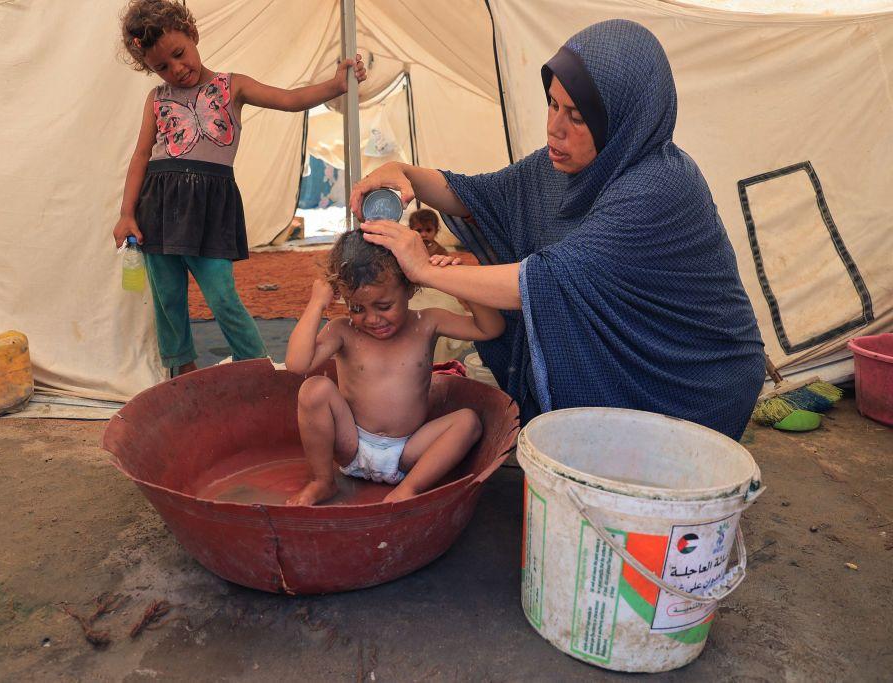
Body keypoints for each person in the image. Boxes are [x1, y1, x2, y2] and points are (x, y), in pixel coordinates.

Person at [351, 19, 764, 440]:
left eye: (577, 116)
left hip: (687, 380)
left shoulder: (658, 187)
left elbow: (546, 280)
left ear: (622, 119)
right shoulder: (566, 165)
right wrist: (403, 173)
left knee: (644, 481)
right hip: (630, 358)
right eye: (552, 104)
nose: (555, 127)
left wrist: (425, 269)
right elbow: (479, 194)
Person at [114, 0, 366, 375]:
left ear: (193, 35)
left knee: (223, 297)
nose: (176, 69)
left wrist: (334, 85)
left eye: (180, 54)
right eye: (161, 67)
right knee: (168, 300)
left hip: (209, 208)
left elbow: (291, 100)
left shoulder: (233, 87)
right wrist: (126, 214)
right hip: (159, 209)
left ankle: (259, 369)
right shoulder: (157, 99)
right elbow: (139, 158)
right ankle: (182, 375)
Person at [284, 231, 505, 506]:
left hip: (408, 451)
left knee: (468, 422)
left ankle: (408, 489)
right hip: (352, 443)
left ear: (411, 287)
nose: (372, 319)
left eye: (384, 305)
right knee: (313, 389)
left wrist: (455, 283)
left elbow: (490, 328)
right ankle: (322, 481)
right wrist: (316, 302)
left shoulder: (427, 322)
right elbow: (297, 364)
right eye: (357, 308)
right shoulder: (343, 330)